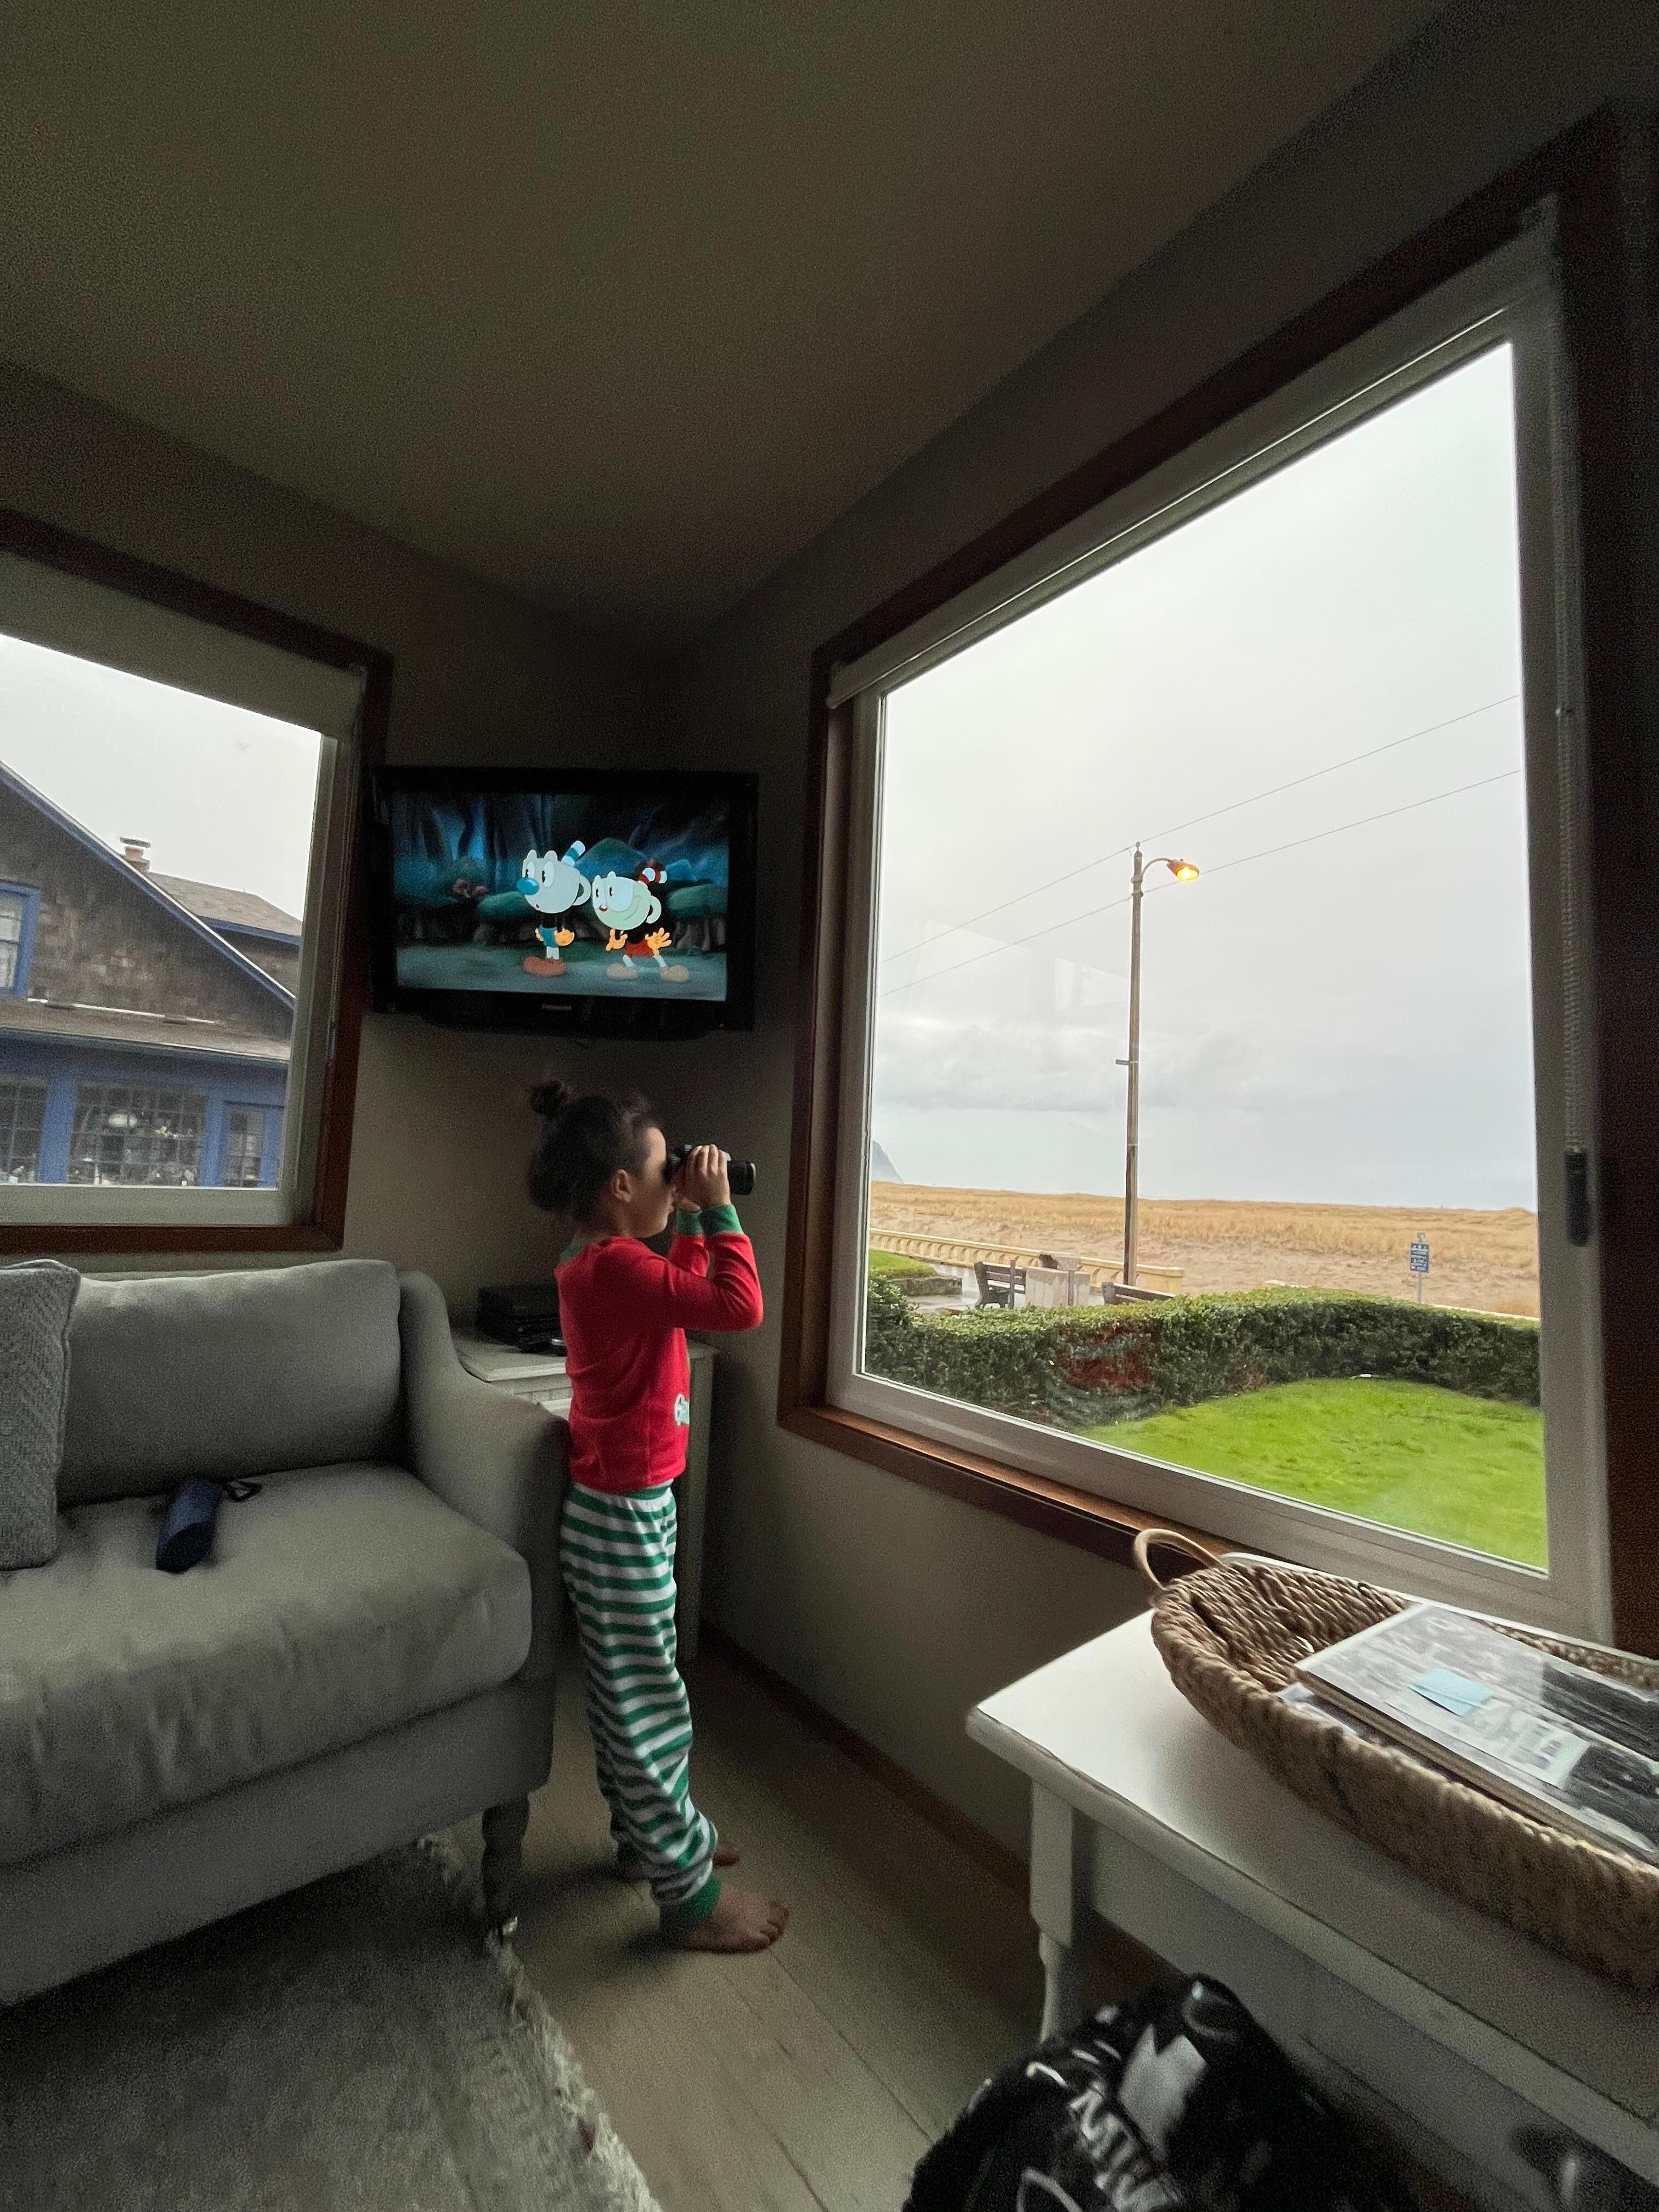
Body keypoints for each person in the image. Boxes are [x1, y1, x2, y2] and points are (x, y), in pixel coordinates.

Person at [527, 1081, 788, 1953]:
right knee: (650, 1703)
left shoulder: (603, 1264)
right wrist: (720, 1213)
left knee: (629, 1697)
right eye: (662, 1170)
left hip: (624, 1509)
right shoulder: (616, 1269)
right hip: (625, 1516)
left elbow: (678, 1285)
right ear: (618, 1188)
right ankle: (686, 1896)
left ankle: (650, 1842)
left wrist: (684, 1212)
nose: (678, 1180)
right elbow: (736, 1306)